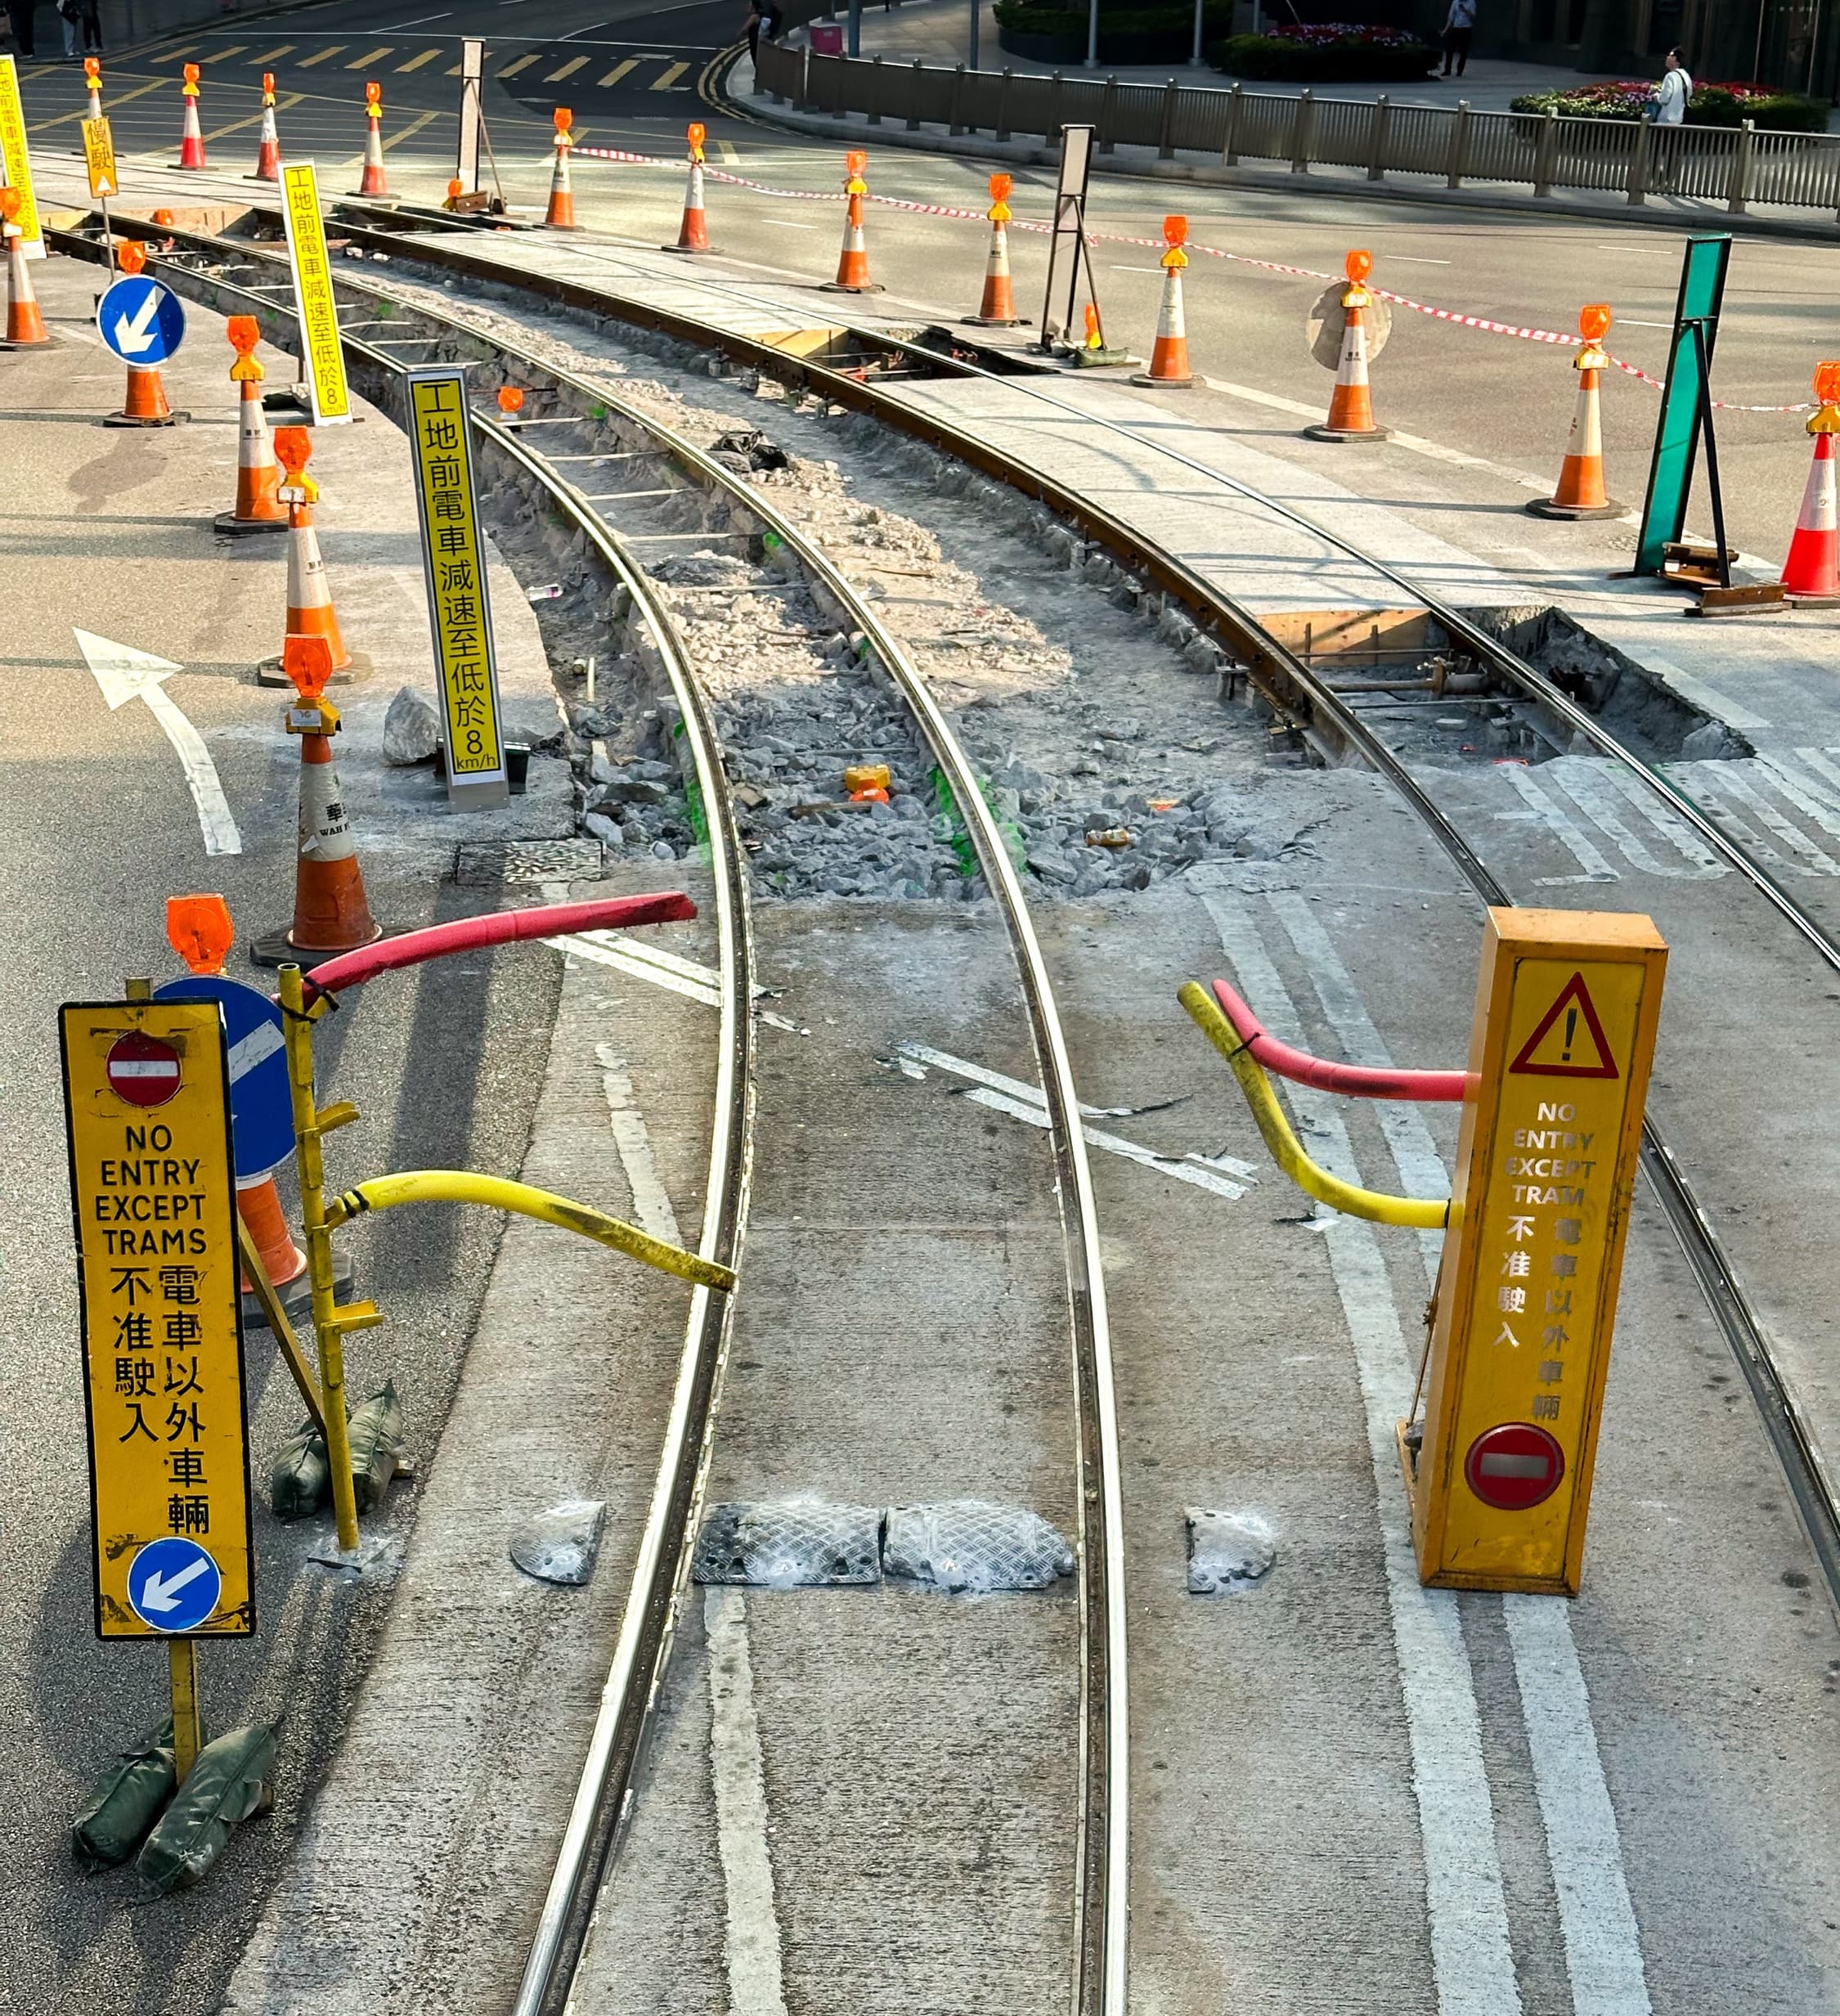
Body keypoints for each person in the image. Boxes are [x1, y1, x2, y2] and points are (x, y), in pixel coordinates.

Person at [1441, 0, 1475, 78]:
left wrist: (1465, 10)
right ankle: (1447, 70)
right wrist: (1445, 30)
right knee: (1449, 49)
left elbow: (1473, 16)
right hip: (1456, 28)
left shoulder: (1471, 2)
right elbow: (1451, 18)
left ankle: (1459, 71)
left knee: (1463, 51)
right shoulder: (1455, 2)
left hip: (1466, 29)